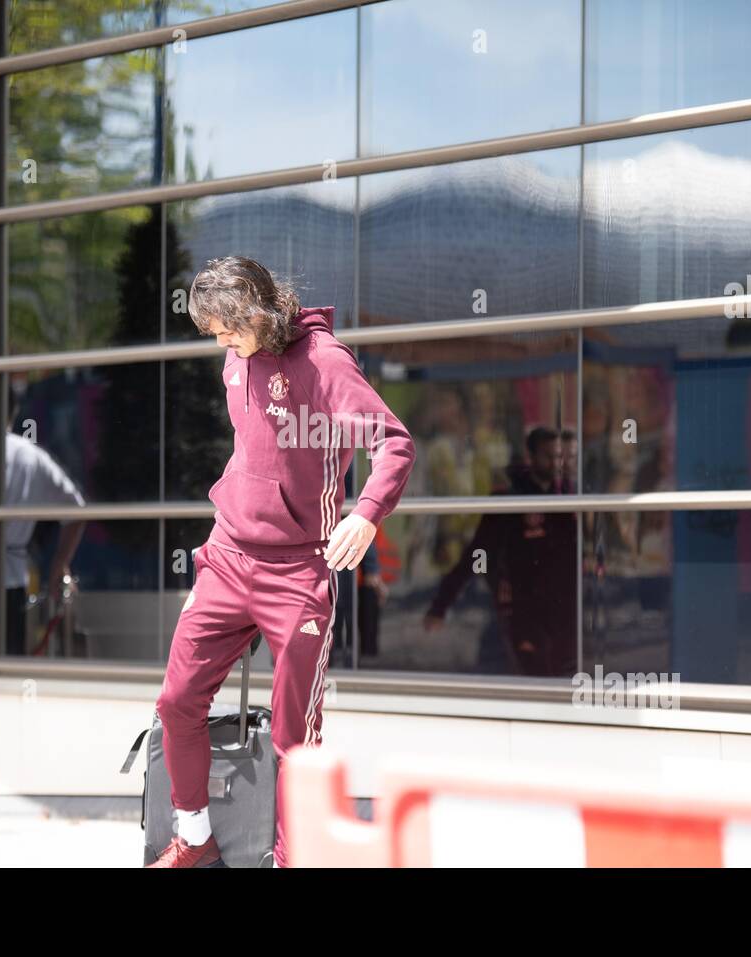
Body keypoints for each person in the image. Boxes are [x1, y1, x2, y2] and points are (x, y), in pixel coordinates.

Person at [148, 256, 416, 868]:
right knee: (177, 700)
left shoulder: (326, 363)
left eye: (225, 328)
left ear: (257, 311)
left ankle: (294, 857)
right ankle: (194, 838)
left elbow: (394, 441)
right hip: (227, 556)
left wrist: (366, 512)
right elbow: (254, 450)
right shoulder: (237, 358)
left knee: (297, 736)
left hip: (297, 572)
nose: (220, 342)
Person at [424, 427, 578, 676]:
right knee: (532, 675)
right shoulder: (509, 501)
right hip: (521, 608)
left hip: (563, 609)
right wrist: (440, 605)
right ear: (531, 457)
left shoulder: (569, 496)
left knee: (564, 674)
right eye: (548, 456)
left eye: (560, 457)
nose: (556, 463)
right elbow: (475, 554)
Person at [1, 389, 87, 655]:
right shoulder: (29, 455)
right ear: (13, 413)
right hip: (11, 580)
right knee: (8, 661)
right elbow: (76, 509)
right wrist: (59, 565)